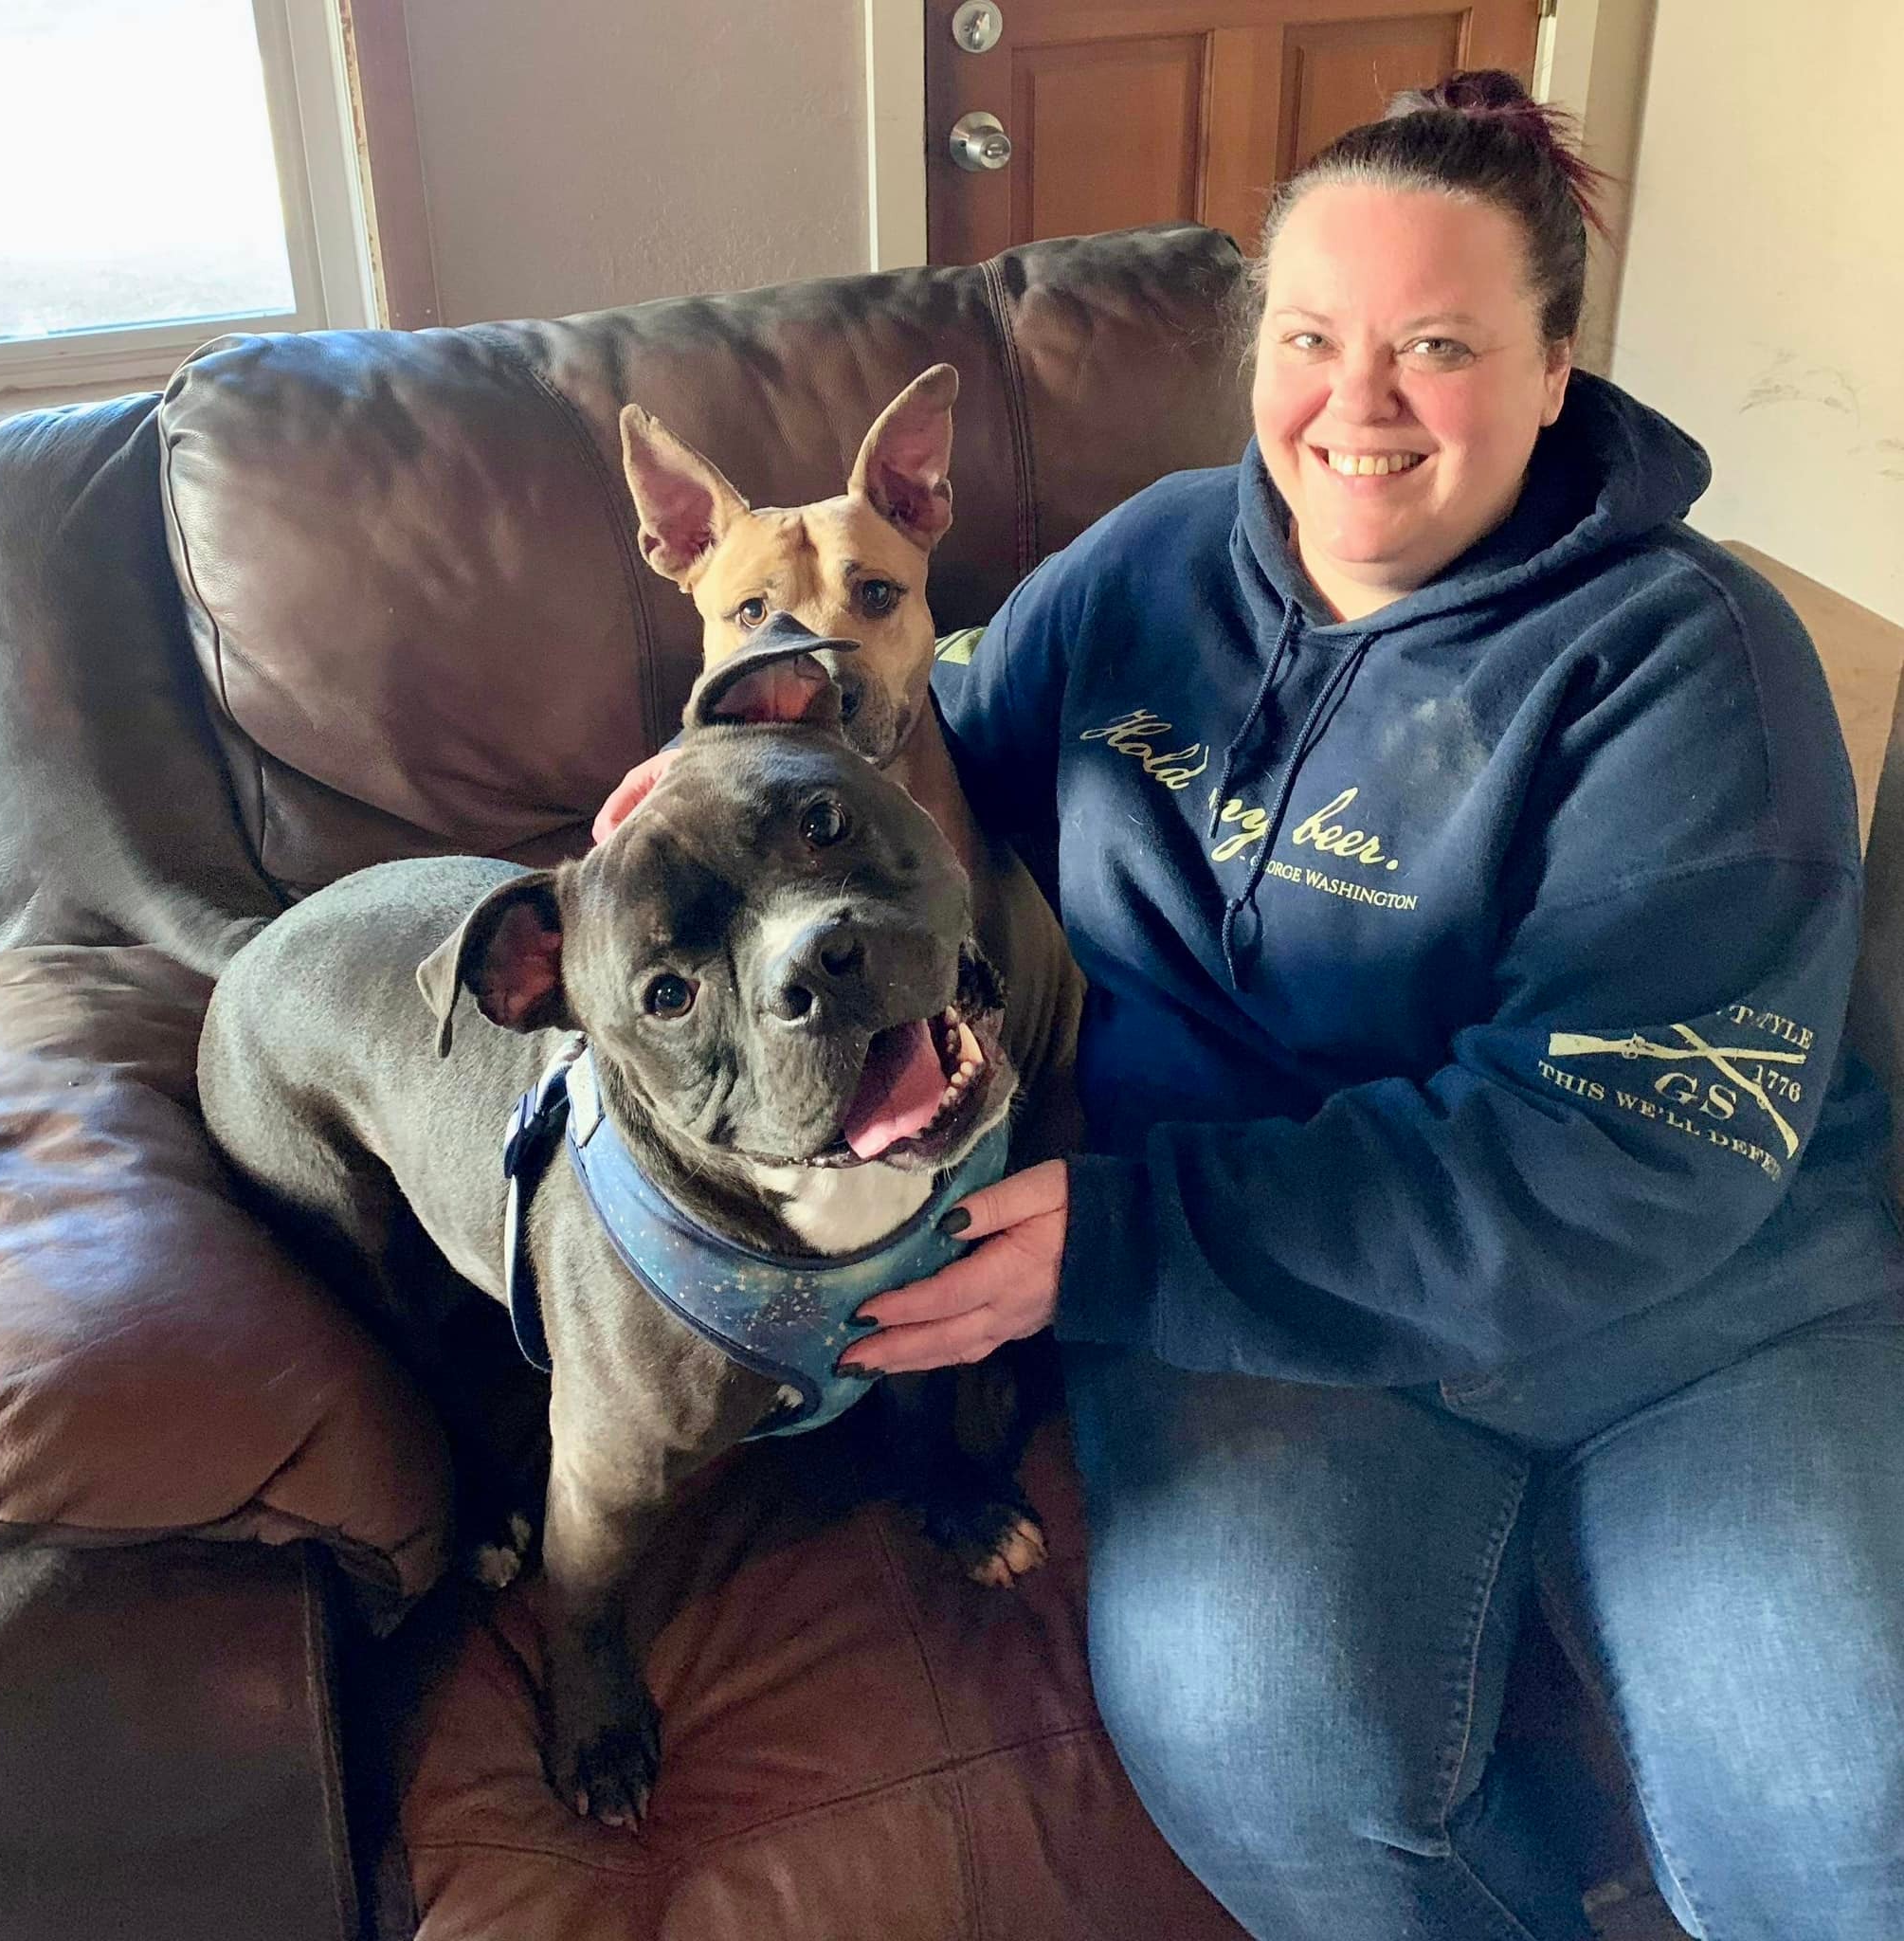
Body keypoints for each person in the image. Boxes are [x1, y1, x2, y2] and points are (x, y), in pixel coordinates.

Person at [596, 73, 1904, 1941]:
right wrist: (702, 827)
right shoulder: (1136, 575)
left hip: (1701, 1312)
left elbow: (1622, 1147)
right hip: (1263, 1322)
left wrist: (1130, 1235)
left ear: (1554, 368)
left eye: (1434, 345)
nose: (1354, 405)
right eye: (1309, 337)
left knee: (1843, 1825)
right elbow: (923, 771)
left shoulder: (1689, 665)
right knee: (1260, 1750)